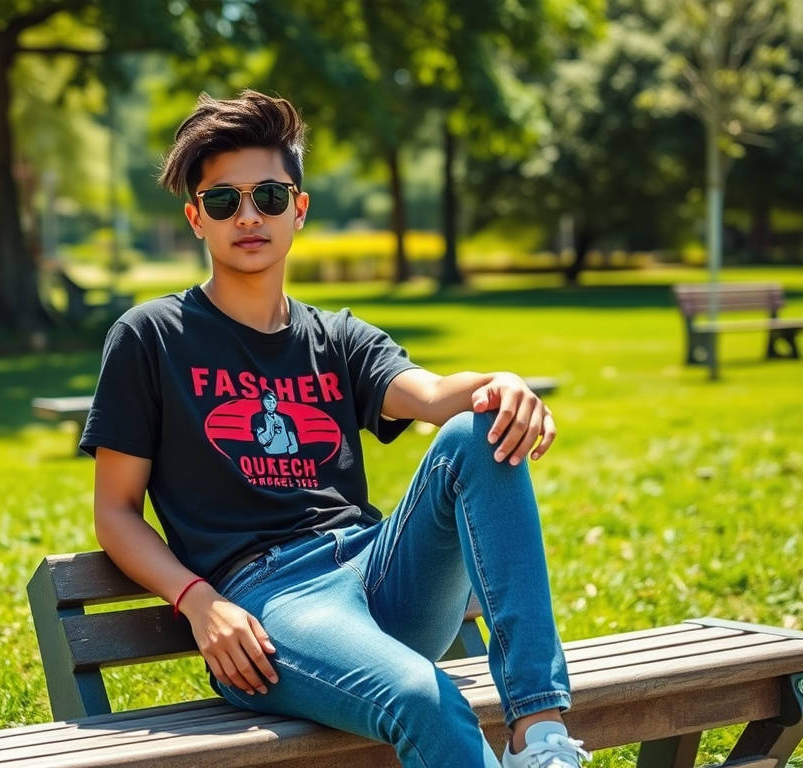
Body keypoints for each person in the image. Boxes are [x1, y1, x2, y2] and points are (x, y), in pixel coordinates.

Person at [80, 89, 589, 768]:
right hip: (269, 609)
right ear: (196, 218)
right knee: (422, 696)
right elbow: (115, 513)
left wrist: (502, 386)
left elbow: (436, 396)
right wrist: (198, 602)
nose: (249, 215)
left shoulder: (337, 336)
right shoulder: (151, 337)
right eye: (225, 201)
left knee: (478, 427)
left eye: (268, 194)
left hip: (378, 571)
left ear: (300, 208)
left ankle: (542, 737)